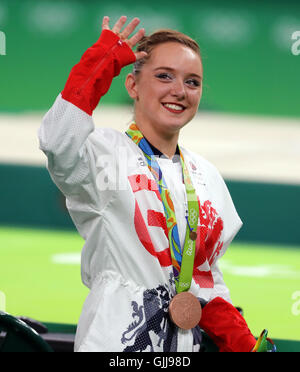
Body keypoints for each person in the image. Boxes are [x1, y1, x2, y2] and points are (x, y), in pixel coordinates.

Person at [38, 16, 270, 352]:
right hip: (116, 343)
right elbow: (57, 138)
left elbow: (204, 279)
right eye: (164, 76)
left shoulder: (206, 177)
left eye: (193, 82)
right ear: (132, 85)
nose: (179, 91)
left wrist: (241, 342)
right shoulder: (105, 153)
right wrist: (102, 61)